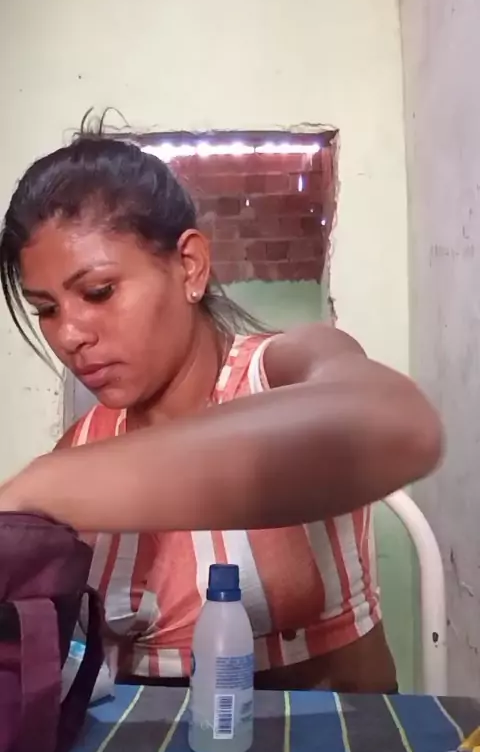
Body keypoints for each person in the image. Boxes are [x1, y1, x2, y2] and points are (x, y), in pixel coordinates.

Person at [0, 130, 443, 692]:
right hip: (142, 742)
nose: (69, 335)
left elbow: (401, 428)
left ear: (189, 266)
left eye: (99, 292)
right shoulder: (86, 446)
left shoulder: (282, 371)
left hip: (322, 739)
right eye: (46, 309)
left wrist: (42, 483)